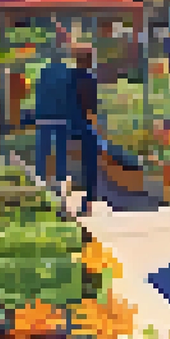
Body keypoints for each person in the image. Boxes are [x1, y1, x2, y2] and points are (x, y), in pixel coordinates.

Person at [33, 45, 76, 188]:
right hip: (61, 115)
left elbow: (38, 92)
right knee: (61, 149)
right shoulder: (67, 73)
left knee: (43, 147)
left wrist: (37, 111)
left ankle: (39, 177)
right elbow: (70, 96)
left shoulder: (44, 72)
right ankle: (60, 180)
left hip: (44, 114)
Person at [71, 46, 101, 215]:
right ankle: (88, 200)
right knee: (90, 163)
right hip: (83, 125)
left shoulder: (68, 78)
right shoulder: (90, 79)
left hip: (67, 125)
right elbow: (91, 109)